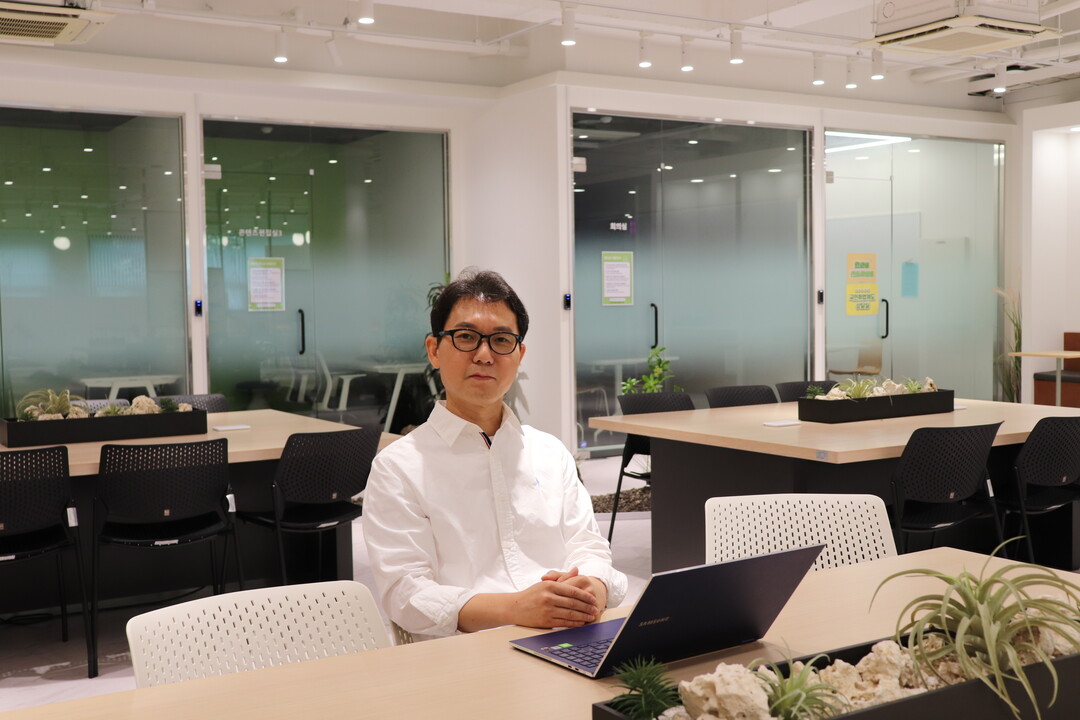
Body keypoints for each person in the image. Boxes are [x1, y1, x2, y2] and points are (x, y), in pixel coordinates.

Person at [362, 268, 627, 639]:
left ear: (519, 355)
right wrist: (517, 608)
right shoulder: (399, 468)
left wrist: (593, 587)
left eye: (501, 340)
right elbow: (406, 594)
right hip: (468, 653)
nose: (484, 355)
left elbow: (589, 547)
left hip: (570, 636)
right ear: (434, 350)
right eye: (466, 337)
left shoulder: (550, 453)